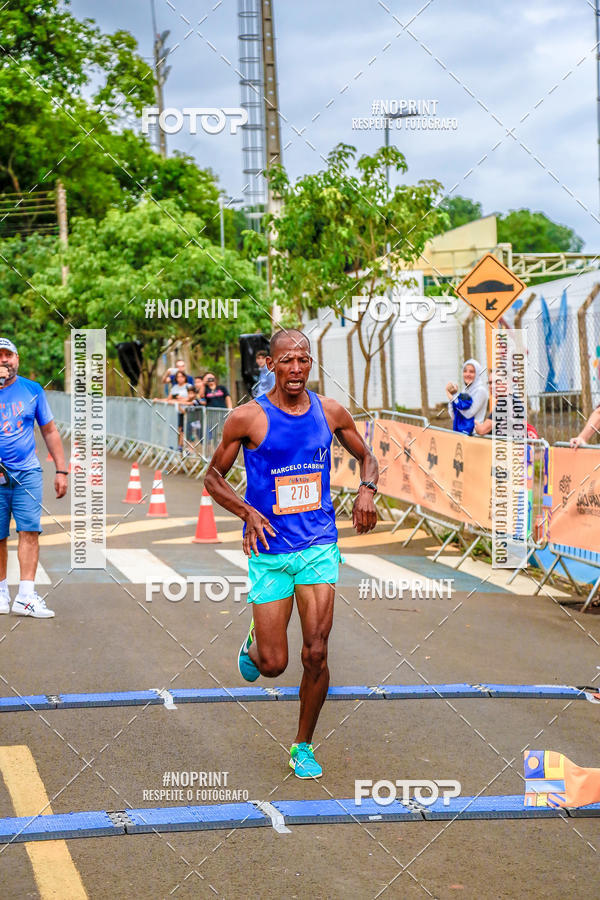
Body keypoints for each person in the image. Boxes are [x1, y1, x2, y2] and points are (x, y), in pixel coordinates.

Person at [204, 329, 378, 779]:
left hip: (318, 545)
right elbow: (212, 478)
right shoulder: (248, 418)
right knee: (273, 664)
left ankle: (303, 745)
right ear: (271, 364)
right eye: (286, 361)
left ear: (310, 364)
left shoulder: (330, 411)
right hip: (270, 549)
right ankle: (255, 643)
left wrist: (366, 490)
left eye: (303, 360)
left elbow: (368, 456)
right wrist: (248, 512)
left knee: (316, 652)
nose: (296, 369)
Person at [0, 338, 68, 618]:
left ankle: (26, 597)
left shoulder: (32, 390)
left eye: (8, 355)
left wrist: (61, 470)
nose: (3, 360)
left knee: (29, 531)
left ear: (17, 359)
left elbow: (49, 430)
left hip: (27, 473)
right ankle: (1, 594)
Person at [475, 372, 539, 439]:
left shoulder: (504, 403)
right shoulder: (514, 399)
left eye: (497, 382)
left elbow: (482, 430)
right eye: (490, 383)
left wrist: (474, 424)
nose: (492, 386)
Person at [446, 358, 488, 435]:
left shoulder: (481, 391)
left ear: (477, 374)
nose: (467, 374)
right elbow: (454, 416)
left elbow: (468, 414)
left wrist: (453, 397)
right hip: (461, 433)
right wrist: (452, 396)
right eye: (465, 371)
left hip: (474, 435)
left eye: (471, 371)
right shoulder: (464, 391)